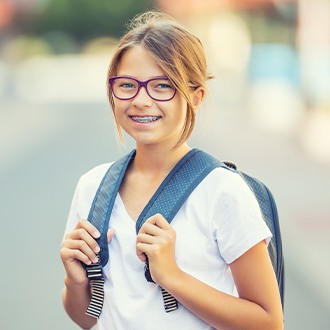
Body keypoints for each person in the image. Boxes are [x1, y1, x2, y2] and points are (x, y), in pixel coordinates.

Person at [60, 10, 283, 330]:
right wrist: (75, 280)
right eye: (127, 85)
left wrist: (173, 277)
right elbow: (85, 318)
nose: (140, 100)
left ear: (196, 96)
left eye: (162, 86)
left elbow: (268, 322)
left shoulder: (222, 192)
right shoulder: (93, 188)